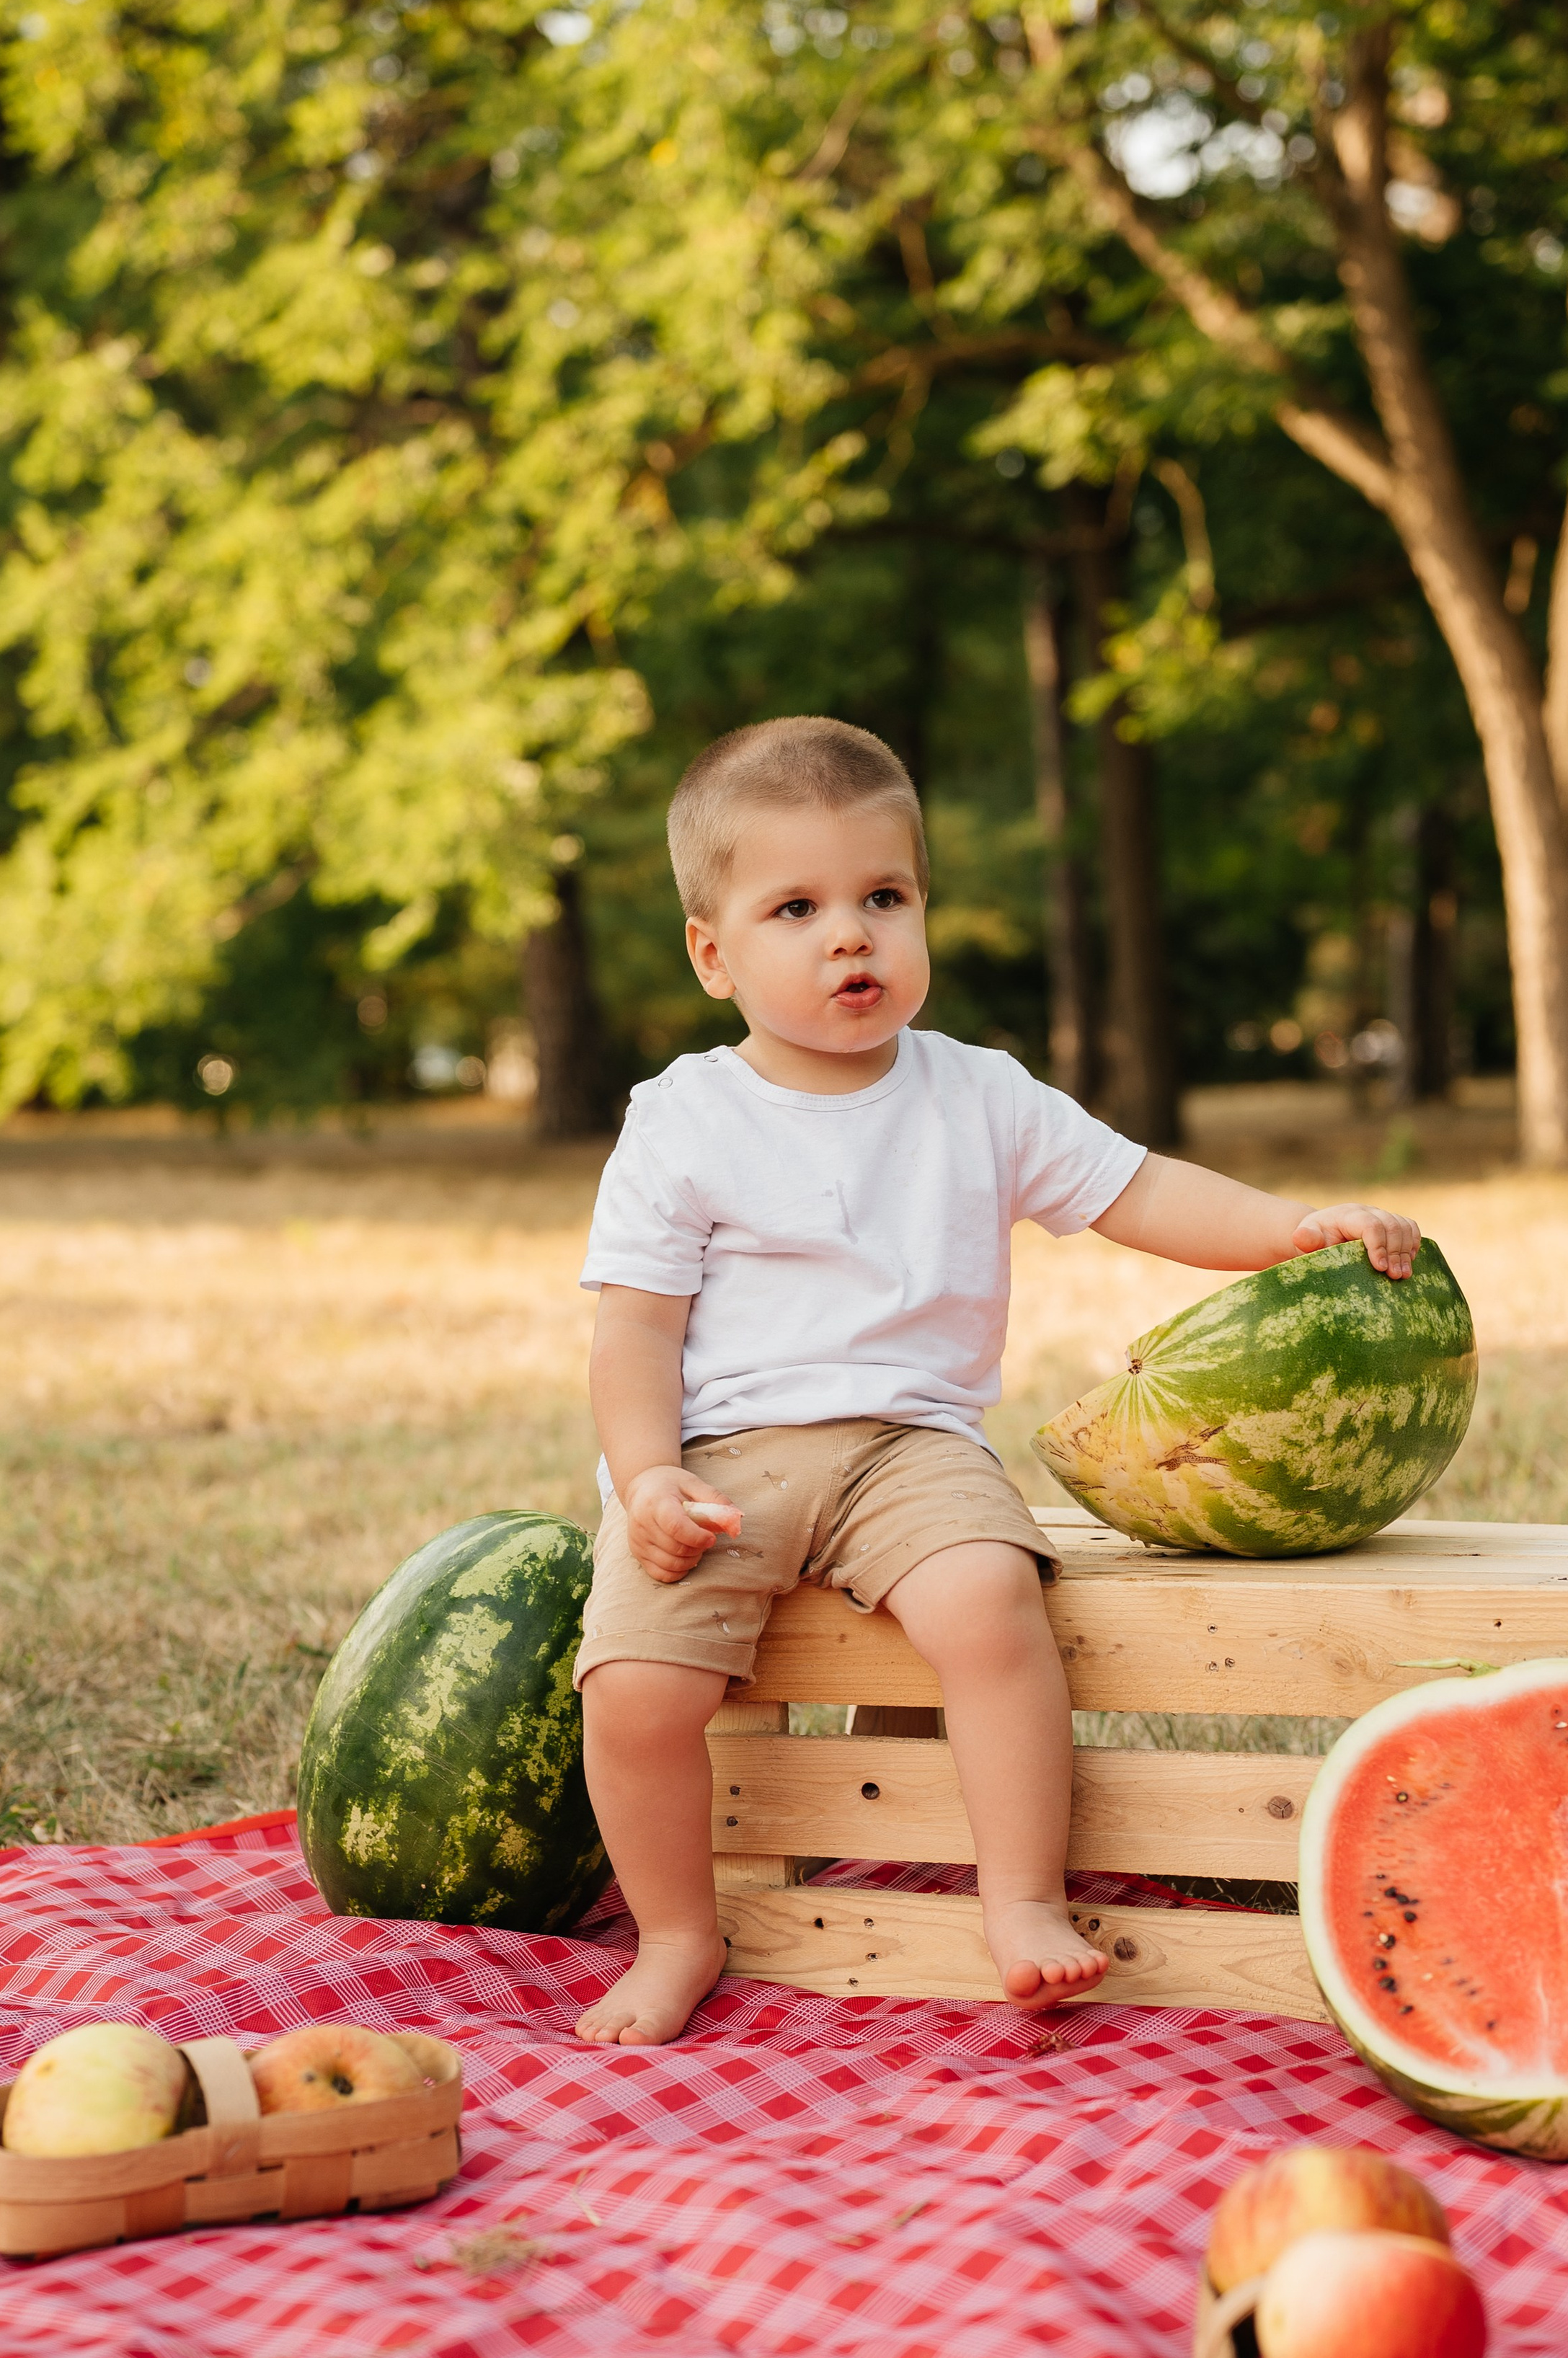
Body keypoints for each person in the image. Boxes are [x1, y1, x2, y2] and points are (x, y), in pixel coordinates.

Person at [572, 717, 1419, 2046]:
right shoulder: (685, 1118)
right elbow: (632, 1332)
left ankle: (1022, 1901)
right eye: (796, 907)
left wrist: (1286, 1228)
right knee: (633, 1689)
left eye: (883, 898)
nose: (850, 935)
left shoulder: (979, 1095)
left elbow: (1139, 1187)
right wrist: (646, 1480)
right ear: (712, 952)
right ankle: (680, 1930)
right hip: (723, 1453)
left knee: (991, 1605)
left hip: (910, 1447)